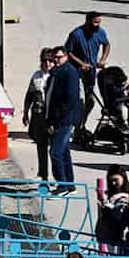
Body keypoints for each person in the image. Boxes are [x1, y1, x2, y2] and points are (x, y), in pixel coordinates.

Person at [65, 10, 111, 131]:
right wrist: (81, 63)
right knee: (80, 101)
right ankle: (74, 126)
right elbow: (68, 52)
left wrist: (102, 59)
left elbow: (106, 44)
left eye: (99, 22)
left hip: (90, 72)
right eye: (95, 22)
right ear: (87, 21)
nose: (98, 24)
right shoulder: (76, 34)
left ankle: (80, 125)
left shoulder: (100, 32)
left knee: (90, 101)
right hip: (77, 72)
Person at [45, 46, 85, 186]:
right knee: (63, 152)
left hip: (64, 120)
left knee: (55, 152)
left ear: (66, 56)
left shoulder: (69, 72)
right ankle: (68, 184)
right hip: (56, 119)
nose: (56, 60)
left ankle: (62, 184)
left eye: (59, 57)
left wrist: (56, 120)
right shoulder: (56, 72)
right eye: (53, 58)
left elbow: (70, 99)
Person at [24, 47, 55, 178]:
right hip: (38, 114)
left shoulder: (56, 75)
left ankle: (59, 178)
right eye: (45, 60)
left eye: (50, 60)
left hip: (52, 116)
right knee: (41, 146)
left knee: (55, 150)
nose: (47, 63)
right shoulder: (36, 75)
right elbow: (29, 95)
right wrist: (25, 112)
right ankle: (43, 175)